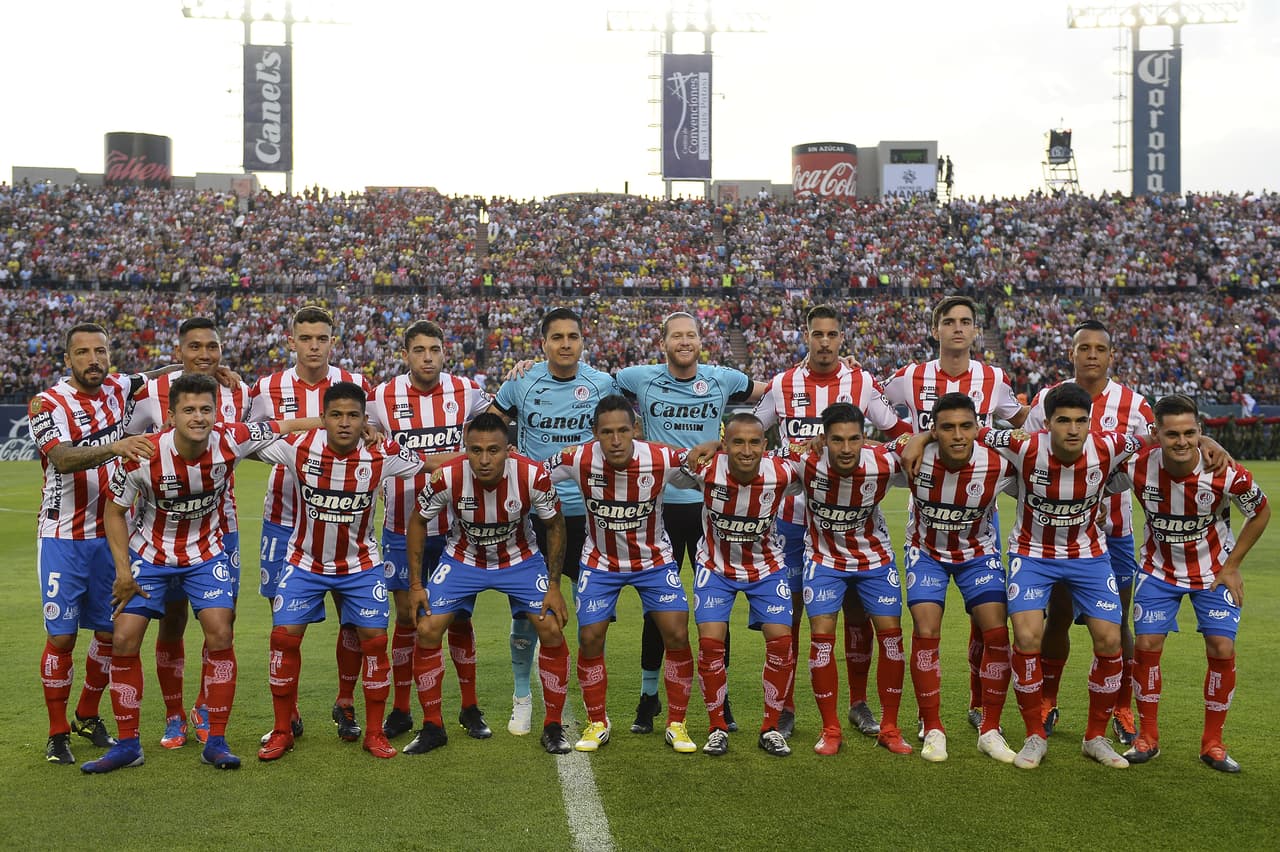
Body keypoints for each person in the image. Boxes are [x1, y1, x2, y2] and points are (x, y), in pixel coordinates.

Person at [910, 384, 1145, 769]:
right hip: (1032, 553)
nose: (1072, 429)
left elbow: (1155, 443)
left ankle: (1095, 738)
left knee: (1109, 639)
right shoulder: (1023, 446)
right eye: (1063, 421)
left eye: (1080, 421)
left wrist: (1206, 442)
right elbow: (971, 430)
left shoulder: (1111, 445)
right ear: (1046, 423)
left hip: (1088, 554)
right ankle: (1035, 734)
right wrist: (922, 435)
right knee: (1025, 636)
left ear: (1090, 423)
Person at [83, 374, 302, 773]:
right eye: (188, 410)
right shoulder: (143, 455)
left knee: (220, 631)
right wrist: (122, 572)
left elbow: (284, 426)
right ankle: (128, 745)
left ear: (216, 413)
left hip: (205, 554)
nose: (198, 417)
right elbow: (114, 512)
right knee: (124, 639)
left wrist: (353, 427)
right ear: (170, 416)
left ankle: (215, 740)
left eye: (205, 409)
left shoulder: (232, 438)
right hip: (149, 555)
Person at [754, 304, 911, 740]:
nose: (824, 342)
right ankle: (785, 707)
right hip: (791, 519)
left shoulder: (861, 382)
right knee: (791, 617)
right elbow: (751, 433)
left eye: (832, 335)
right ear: (806, 336)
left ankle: (859, 704)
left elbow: (898, 431)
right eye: (817, 334)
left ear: (842, 338)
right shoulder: (783, 384)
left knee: (858, 613)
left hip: (850, 521)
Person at [30, 322, 178, 765]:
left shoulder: (119, 387)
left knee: (112, 633)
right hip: (63, 538)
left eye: (101, 351)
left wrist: (211, 368)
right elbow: (62, 457)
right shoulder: (46, 402)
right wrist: (118, 447)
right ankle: (57, 734)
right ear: (67, 359)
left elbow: (159, 374)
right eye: (83, 353)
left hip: (115, 534)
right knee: (61, 638)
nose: (93, 360)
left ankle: (88, 714)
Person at [256, 382, 425, 761]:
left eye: (353, 416)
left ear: (366, 420)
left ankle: (375, 733)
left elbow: (426, 462)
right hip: (303, 562)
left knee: (375, 643)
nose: (344, 423)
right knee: (283, 639)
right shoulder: (298, 447)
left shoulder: (381, 454)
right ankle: (283, 729)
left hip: (360, 566)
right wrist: (304, 423)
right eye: (335, 415)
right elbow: (248, 439)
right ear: (324, 418)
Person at [883, 294, 1028, 735]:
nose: (958, 329)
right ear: (936, 329)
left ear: (975, 330)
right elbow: (874, 405)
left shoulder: (994, 377)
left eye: (966, 321)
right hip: (927, 508)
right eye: (949, 322)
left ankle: (978, 701)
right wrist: (913, 438)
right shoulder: (911, 376)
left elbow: (1020, 418)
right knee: (933, 620)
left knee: (986, 619)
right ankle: (937, 718)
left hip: (981, 507)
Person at [615, 310, 762, 735]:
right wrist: (526, 367)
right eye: (676, 336)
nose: (684, 341)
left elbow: (774, 396)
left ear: (702, 341)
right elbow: (589, 385)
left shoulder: (724, 378)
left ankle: (721, 698)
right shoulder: (638, 377)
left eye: (691, 335)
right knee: (657, 609)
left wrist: (721, 440)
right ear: (663, 343)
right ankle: (648, 698)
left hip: (711, 508)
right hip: (658, 508)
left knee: (715, 606)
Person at [403, 412, 574, 755]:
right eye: (475, 450)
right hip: (463, 559)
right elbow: (418, 522)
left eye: (493, 450)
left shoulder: (532, 475)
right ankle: (433, 725)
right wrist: (417, 585)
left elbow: (555, 525)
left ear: (508, 450)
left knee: (551, 627)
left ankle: (553, 725)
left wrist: (554, 586)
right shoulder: (446, 477)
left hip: (520, 559)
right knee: (426, 628)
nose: (483, 460)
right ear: (464, 449)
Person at [1116, 394, 1269, 773]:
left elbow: (1261, 510)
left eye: (1190, 433)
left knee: (1221, 647)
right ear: (1156, 434)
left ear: (1200, 432)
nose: (1181, 442)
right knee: (1148, 644)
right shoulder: (1137, 465)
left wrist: (1233, 565)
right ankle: (1147, 737)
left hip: (1213, 572)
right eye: (1172, 435)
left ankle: (1213, 744)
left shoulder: (1224, 471)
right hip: (1157, 570)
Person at [122, 317, 251, 749]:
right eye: (194, 347)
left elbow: (248, 438)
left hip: (221, 525)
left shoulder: (237, 390)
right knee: (172, 621)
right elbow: (130, 447)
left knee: (220, 623)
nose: (204, 355)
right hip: (163, 527)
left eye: (212, 347)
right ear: (178, 352)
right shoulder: (149, 396)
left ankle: (202, 707)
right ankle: (174, 714)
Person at [1023, 319, 1153, 746]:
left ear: (1111, 356)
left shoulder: (1134, 404)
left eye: (1100, 348)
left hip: (1114, 532)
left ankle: (1120, 705)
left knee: (1117, 623)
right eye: (1084, 347)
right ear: (1072, 353)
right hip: (1057, 533)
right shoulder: (1047, 399)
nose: (1092, 354)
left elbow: (1153, 454)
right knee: (1058, 617)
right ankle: (1047, 700)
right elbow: (1024, 457)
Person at [248, 305, 373, 744]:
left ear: (332, 341)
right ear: (292, 341)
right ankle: (290, 714)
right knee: (283, 625)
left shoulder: (356, 386)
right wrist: (309, 423)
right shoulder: (266, 387)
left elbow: (371, 436)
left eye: (322, 338)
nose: (314, 346)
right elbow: (246, 439)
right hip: (283, 517)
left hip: (344, 519)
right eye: (306, 338)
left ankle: (345, 702)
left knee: (355, 620)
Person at [545, 395, 697, 754]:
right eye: (607, 432)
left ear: (636, 430)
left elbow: (707, 473)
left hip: (654, 561)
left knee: (676, 632)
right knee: (591, 637)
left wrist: (712, 447)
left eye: (623, 431)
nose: (615, 440)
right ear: (594, 433)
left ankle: (677, 723)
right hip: (600, 562)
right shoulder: (576, 458)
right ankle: (598, 722)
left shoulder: (662, 458)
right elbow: (531, 472)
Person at [492, 307, 616, 735]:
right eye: (557, 337)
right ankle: (522, 696)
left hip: (589, 512)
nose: (566, 344)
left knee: (591, 612)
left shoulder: (602, 384)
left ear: (583, 341)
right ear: (542, 343)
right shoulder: (522, 381)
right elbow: (491, 426)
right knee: (528, 611)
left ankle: (589, 697)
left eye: (573, 337)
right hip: (534, 512)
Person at [367, 320, 492, 741]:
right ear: (405, 354)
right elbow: (358, 434)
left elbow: (500, 420)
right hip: (402, 525)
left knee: (458, 618)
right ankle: (402, 709)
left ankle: (469, 707)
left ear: (444, 352)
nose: (426, 357)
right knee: (406, 618)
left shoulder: (467, 391)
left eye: (433, 349)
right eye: (418, 349)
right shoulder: (381, 397)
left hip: (457, 526)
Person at [779, 403, 913, 757]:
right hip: (823, 559)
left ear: (865, 437)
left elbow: (914, 445)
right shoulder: (804, 460)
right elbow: (755, 457)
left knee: (892, 640)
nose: (847, 448)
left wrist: (924, 436)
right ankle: (831, 730)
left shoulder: (883, 461)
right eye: (837, 440)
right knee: (821, 640)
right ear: (822, 439)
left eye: (854, 439)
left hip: (874, 559)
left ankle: (890, 728)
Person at [893, 392, 1018, 763]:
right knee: (926, 629)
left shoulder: (999, 465)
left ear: (978, 429)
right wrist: (917, 439)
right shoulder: (914, 457)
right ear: (934, 431)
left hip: (978, 555)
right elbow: (863, 447)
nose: (958, 435)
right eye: (947, 428)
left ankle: (990, 729)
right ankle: (932, 726)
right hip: (927, 553)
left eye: (966, 426)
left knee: (997, 633)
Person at [673, 413, 796, 757]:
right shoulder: (706, 470)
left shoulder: (783, 472)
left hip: (767, 568)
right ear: (725, 446)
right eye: (737, 442)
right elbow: (672, 465)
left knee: (782, 644)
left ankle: (770, 727)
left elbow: (817, 459)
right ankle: (717, 727)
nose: (746, 450)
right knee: (711, 645)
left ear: (765, 446)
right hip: (716, 567)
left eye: (754, 442)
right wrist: (707, 447)